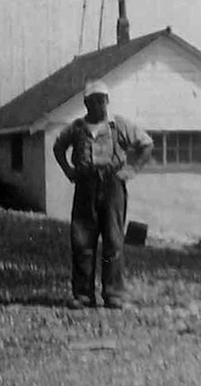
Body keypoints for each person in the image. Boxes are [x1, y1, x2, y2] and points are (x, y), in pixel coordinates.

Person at [52, 80, 153, 310]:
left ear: (107, 101)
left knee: (113, 240)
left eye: (102, 99)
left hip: (112, 186)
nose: (98, 105)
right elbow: (58, 148)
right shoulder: (77, 127)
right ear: (86, 103)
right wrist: (69, 170)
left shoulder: (119, 126)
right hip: (85, 186)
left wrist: (131, 170)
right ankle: (83, 294)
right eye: (93, 100)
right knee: (82, 240)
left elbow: (146, 144)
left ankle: (113, 293)